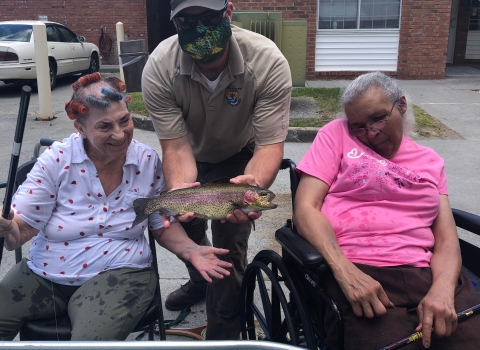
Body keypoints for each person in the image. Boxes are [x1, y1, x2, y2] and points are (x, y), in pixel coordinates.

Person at [0, 72, 232, 341]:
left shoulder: (146, 160)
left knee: (90, 345)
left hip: (121, 274)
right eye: (105, 126)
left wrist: (190, 249)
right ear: (80, 129)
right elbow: (20, 229)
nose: (120, 134)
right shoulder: (56, 160)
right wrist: (7, 226)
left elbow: (159, 222)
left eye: (125, 120)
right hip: (45, 274)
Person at [293, 71, 480, 349]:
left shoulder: (430, 161)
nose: (370, 133)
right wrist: (345, 272)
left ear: (401, 105)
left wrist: (442, 289)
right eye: (358, 126)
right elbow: (306, 208)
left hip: (423, 272)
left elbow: (446, 239)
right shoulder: (336, 135)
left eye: (378, 118)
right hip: (358, 266)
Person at [141, 0, 292, 340]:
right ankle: (199, 281)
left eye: (208, 16)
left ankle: (223, 332)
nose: (200, 27)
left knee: (230, 245)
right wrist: (181, 192)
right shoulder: (159, 67)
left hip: (240, 157)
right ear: (174, 22)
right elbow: (176, 146)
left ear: (229, 11)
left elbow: (269, 146)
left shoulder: (267, 62)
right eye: (187, 20)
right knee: (188, 227)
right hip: (189, 154)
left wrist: (253, 184)